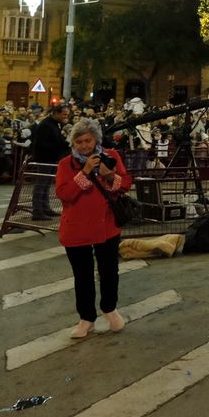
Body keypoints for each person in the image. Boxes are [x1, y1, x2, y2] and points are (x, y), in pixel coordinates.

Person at [55, 118, 132, 340]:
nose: (84, 146)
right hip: (76, 229)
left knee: (109, 271)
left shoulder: (111, 156)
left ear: (96, 139)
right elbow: (65, 195)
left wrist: (109, 174)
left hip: (106, 225)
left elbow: (125, 183)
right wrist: (85, 172)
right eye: (79, 142)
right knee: (83, 275)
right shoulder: (65, 164)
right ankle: (86, 318)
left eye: (87, 140)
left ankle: (110, 308)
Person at [30, 104, 71, 221]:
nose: (65, 117)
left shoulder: (54, 124)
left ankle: (45, 208)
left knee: (46, 185)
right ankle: (37, 211)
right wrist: (61, 145)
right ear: (56, 113)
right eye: (64, 114)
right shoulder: (45, 125)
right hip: (44, 158)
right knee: (41, 185)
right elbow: (41, 144)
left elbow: (57, 139)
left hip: (51, 158)